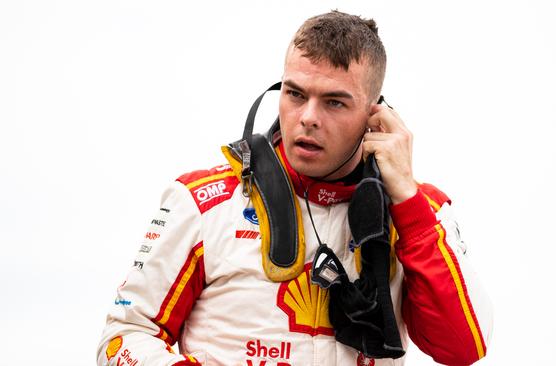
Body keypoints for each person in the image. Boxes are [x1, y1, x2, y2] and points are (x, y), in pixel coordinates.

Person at [97, 10, 493, 366]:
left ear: (377, 115)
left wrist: (407, 200)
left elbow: (463, 347)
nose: (308, 118)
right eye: (295, 94)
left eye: (335, 103)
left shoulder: (420, 211)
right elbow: (122, 339)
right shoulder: (203, 203)